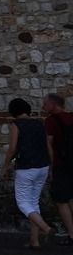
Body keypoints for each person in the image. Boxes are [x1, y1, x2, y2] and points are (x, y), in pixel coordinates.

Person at [5, 97, 54, 249]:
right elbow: (48, 146)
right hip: (42, 167)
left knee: (23, 203)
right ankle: (35, 241)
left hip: (26, 168)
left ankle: (45, 228)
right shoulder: (40, 123)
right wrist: (51, 166)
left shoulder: (16, 125)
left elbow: (13, 148)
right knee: (33, 202)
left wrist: (6, 165)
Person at [44, 91, 73, 244]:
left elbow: (49, 144)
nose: (44, 106)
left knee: (62, 200)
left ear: (54, 105)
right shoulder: (71, 117)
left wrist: (51, 167)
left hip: (61, 165)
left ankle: (72, 235)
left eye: (46, 103)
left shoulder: (50, 121)